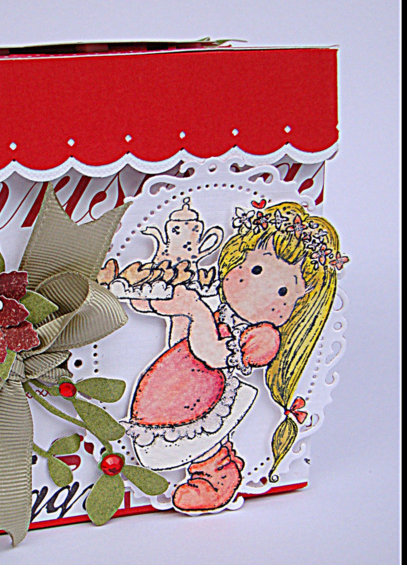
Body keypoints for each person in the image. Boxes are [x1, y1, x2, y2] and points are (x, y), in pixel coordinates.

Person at [127, 201, 342, 512]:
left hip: (206, 395)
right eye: (256, 269)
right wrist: (167, 306)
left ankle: (217, 478)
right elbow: (181, 339)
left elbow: (213, 355)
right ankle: (221, 462)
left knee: (205, 442)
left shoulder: (263, 337)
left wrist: (196, 311)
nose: (260, 288)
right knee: (193, 438)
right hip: (175, 382)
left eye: (283, 292)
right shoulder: (220, 305)